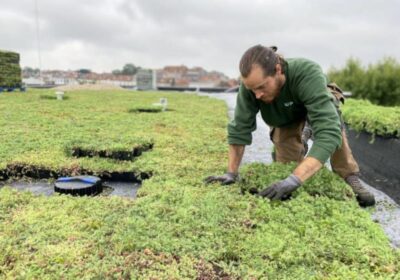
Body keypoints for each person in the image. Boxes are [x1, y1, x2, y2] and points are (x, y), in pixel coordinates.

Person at [204, 45, 375, 207]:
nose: (257, 95)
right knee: (288, 168)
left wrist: (295, 180)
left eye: (262, 87)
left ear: (278, 70)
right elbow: (240, 129)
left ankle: (349, 175)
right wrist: (231, 173)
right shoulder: (251, 88)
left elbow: (329, 132)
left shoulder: (306, 72)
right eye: (252, 89)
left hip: (314, 107)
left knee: (332, 126)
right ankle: (302, 137)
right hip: (285, 118)